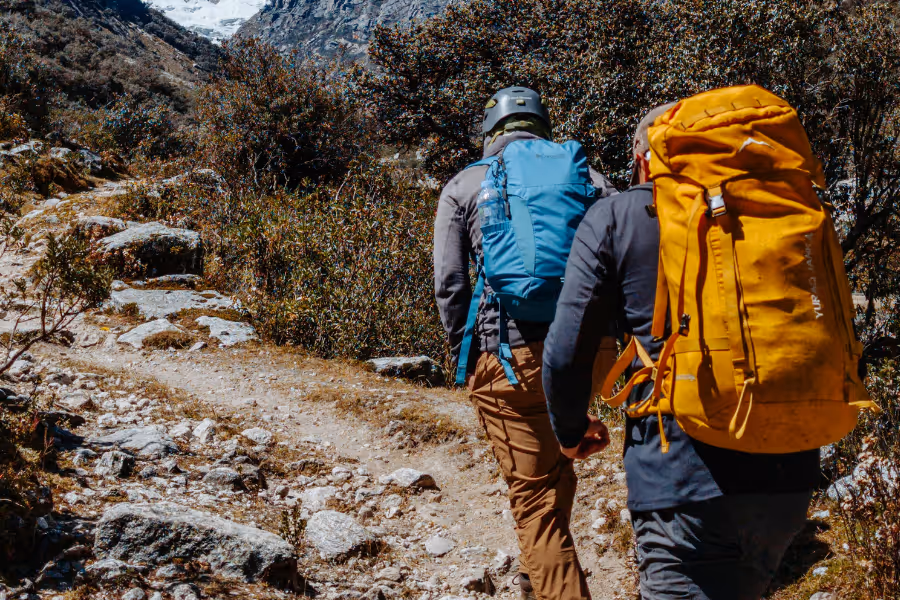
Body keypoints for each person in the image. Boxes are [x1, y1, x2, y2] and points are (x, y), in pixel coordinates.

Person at [542, 104, 821, 600]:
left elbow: (565, 352)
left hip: (683, 480)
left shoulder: (617, 215)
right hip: (789, 471)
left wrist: (569, 432)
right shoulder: (773, 208)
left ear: (646, 161)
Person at [434, 86, 617, 600]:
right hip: (590, 354)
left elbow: (450, 284)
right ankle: (538, 581)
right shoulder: (592, 180)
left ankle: (555, 585)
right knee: (559, 456)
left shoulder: (464, 185)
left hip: (510, 355)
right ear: (543, 126)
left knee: (533, 498)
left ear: (491, 133)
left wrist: (464, 357)